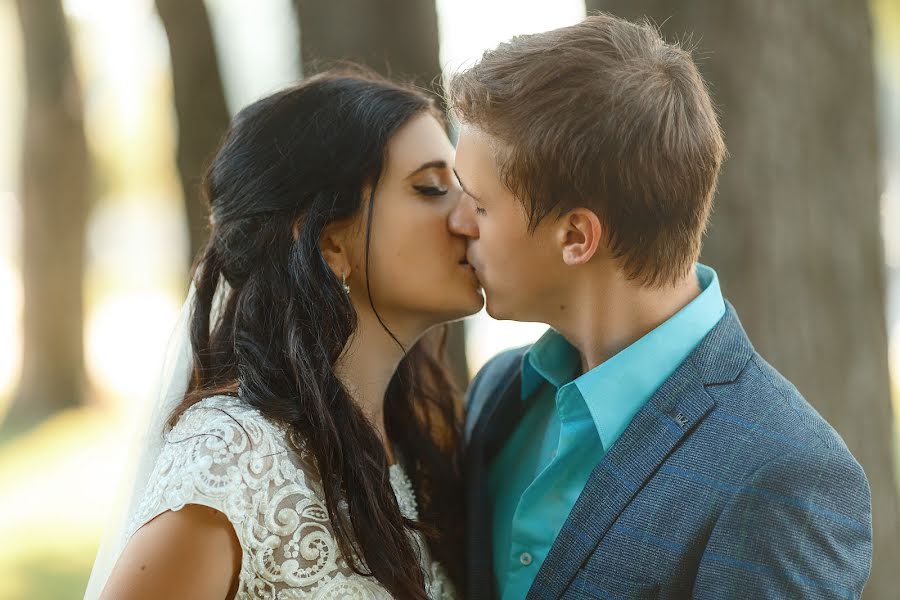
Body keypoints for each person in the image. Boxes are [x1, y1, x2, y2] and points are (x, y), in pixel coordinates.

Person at [447, 14, 872, 599]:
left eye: (480, 204)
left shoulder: (787, 474)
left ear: (576, 237)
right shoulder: (500, 394)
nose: (456, 222)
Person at [85, 69, 481, 599]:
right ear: (329, 243)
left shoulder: (419, 442)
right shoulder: (233, 462)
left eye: (463, 185)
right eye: (430, 188)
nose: (471, 217)